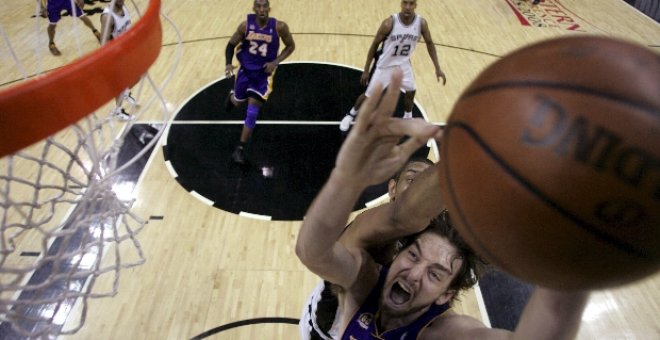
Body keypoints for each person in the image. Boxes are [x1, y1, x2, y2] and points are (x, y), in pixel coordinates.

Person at [296, 70, 589, 339]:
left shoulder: (444, 331)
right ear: (392, 186)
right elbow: (317, 248)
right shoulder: (371, 260)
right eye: (412, 178)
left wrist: (580, 260)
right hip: (321, 328)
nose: (414, 272)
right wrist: (345, 179)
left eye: (435, 273)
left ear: (445, 295)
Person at [300, 156, 435, 339]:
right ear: (393, 188)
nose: (418, 191)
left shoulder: (435, 240)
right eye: (412, 180)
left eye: (425, 185)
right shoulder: (371, 225)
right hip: (328, 332)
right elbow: (403, 214)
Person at [339, 0, 446, 132]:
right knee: (368, 96)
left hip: (403, 64)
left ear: (415, 5)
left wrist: (438, 68)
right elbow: (374, 45)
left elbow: (429, 43)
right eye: (405, 3)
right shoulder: (389, 23)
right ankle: (350, 114)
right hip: (384, 66)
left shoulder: (421, 23)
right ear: (401, 4)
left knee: (411, 90)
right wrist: (366, 69)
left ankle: (407, 118)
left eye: (411, 4)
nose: (407, 7)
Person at [223, 0, 296, 164]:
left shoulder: (280, 27)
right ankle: (232, 97)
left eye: (265, 7)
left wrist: (276, 62)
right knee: (236, 102)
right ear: (254, 9)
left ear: (269, 9)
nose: (262, 9)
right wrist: (228, 63)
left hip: (263, 75)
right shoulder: (245, 26)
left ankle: (239, 149)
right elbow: (230, 46)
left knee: (252, 111)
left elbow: (291, 46)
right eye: (259, 6)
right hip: (245, 72)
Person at [100, 0, 137, 121]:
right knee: (119, 85)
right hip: (116, 55)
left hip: (128, 50)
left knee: (139, 74)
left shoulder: (123, 7)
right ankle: (117, 111)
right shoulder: (108, 17)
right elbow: (103, 43)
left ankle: (125, 93)